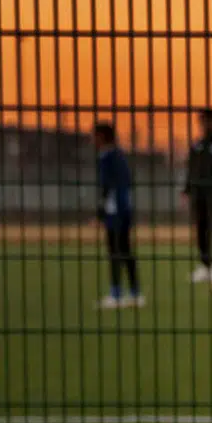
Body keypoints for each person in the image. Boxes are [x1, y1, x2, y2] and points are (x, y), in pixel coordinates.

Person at [93, 122, 142, 309]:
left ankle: (117, 293)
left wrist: (101, 212)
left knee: (116, 252)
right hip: (123, 210)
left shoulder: (108, 157)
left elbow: (108, 187)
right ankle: (134, 292)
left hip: (116, 213)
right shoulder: (119, 156)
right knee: (125, 251)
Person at [185, 109, 212, 282]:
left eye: (205, 122)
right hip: (199, 194)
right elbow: (191, 168)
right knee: (201, 229)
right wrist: (187, 189)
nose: (203, 126)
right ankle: (205, 264)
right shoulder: (198, 144)